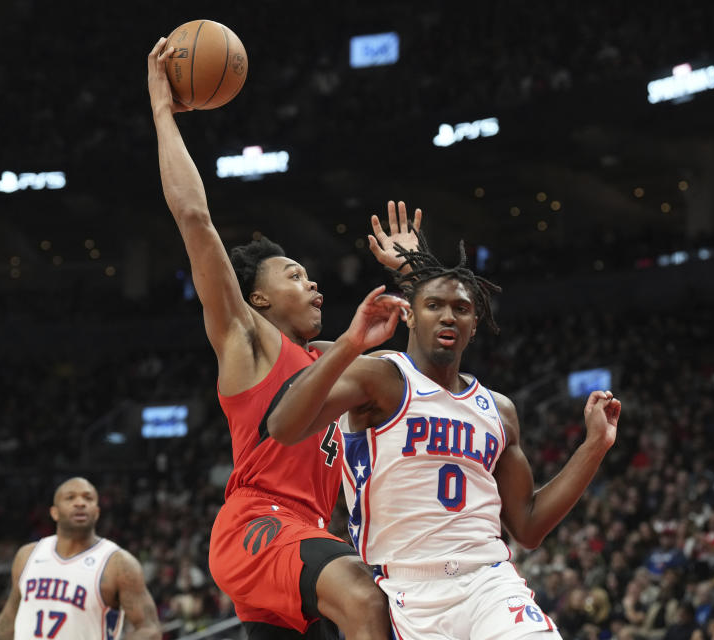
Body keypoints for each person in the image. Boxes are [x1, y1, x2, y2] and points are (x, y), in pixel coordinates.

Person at [147, 37, 420, 640]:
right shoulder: (247, 337)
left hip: (311, 536)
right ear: (260, 299)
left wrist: (415, 275)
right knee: (367, 600)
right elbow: (195, 218)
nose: (314, 282)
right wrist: (164, 112)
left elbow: (428, 372)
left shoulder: (327, 359)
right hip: (259, 525)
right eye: (294, 275)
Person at [268, 235, 622, 639]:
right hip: (411, 590)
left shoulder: (499, 410)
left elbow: (528, 527)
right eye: (433, 306)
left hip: (489, 581)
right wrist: (352, 341)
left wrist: (595, 446)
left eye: (462, 309)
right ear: (410, 316)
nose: (448, 317)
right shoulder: (380, 376)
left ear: (475, 325)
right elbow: (284, 427)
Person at [0, 477, 161, 640]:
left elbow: (149, 628)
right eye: (70, 498)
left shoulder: (118, 563)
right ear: (54, 512)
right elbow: (9, 618)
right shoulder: (28, 555)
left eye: (88, 498)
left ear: (97, 512)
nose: (80, 503)